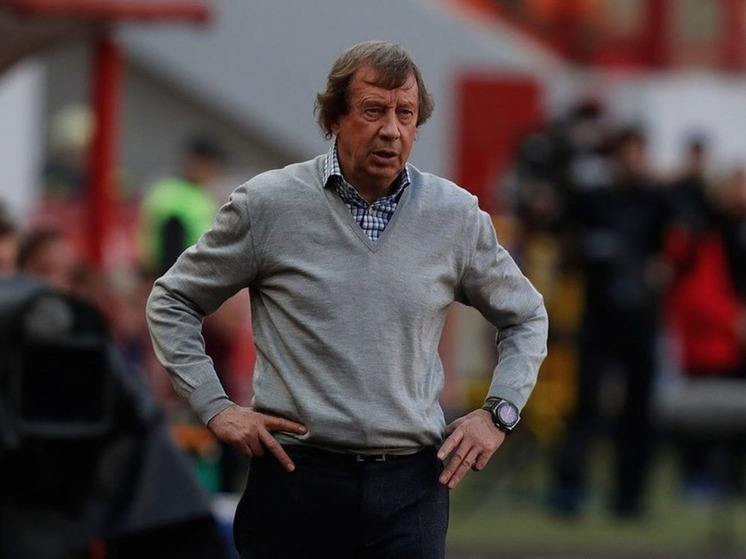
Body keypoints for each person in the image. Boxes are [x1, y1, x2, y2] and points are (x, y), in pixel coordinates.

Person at [147, 40, 548, 558]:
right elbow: (172, 300)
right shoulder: (269, 205)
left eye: (405, 114)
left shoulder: (455, 216)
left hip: (411, 488)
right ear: (334, 118)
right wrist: (215, 407)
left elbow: (526, 315)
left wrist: (498, 413)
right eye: (373, 111)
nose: (392, 130)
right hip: (294, 480)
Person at [550, 127, 670, 518]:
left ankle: (629, 498)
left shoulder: (656, 201)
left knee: (638, 411)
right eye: (627, 153)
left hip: (641, 319)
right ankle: (569, 491)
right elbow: (564, 237)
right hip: (599, 318)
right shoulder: (593, 200)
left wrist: (661, 269)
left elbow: (682, 241)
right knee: (586, 406)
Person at [137, 134, 227, 276]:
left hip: (189, 274)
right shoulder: (173, 195)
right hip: (175, 274)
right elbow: (170, 248)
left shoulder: (203, 195)